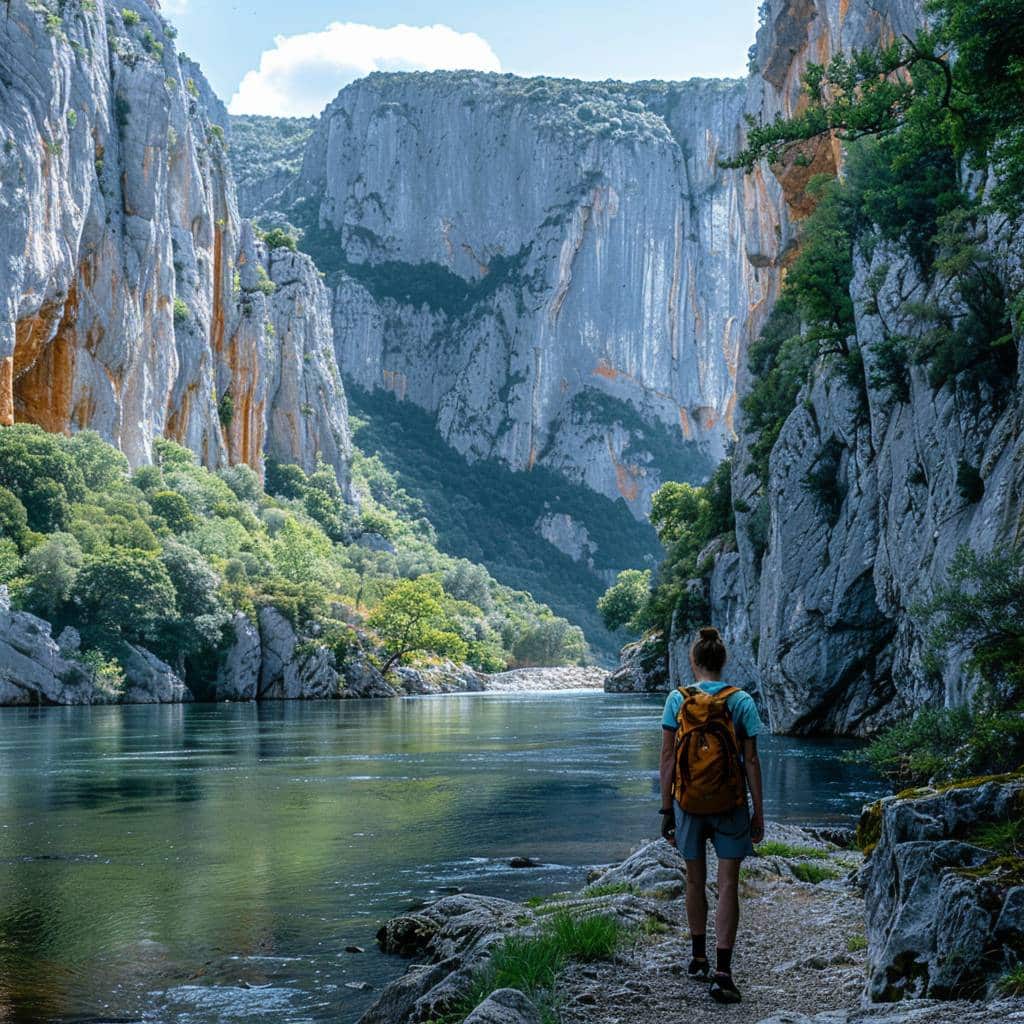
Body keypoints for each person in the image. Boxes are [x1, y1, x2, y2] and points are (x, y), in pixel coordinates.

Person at [658, 626, 765, 1004]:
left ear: (694, 662)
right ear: (723, 661)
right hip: (731, 804)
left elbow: (669, 757)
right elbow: (750, 761)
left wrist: (666, 808)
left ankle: (697, 957)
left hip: (688, 803)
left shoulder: (677, 699)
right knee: (727, 885)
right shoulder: (742, 702)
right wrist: (758, 813)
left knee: (693, 881)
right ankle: (723, 970)